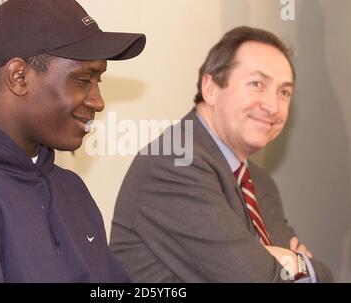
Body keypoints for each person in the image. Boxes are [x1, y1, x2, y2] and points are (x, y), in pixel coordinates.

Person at [0, 0, 145, 282]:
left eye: (99, 82)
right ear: (19, 77)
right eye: (83, 80)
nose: (98, 102)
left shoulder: (70, 190)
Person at [110, 26, 333, 282]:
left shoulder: (260, 183)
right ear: (210, 88)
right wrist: (297, 262)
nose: (272, 106)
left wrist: (299, 266)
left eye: (284, 92)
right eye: (257, 84)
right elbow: (256, 278)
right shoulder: (174, 162)